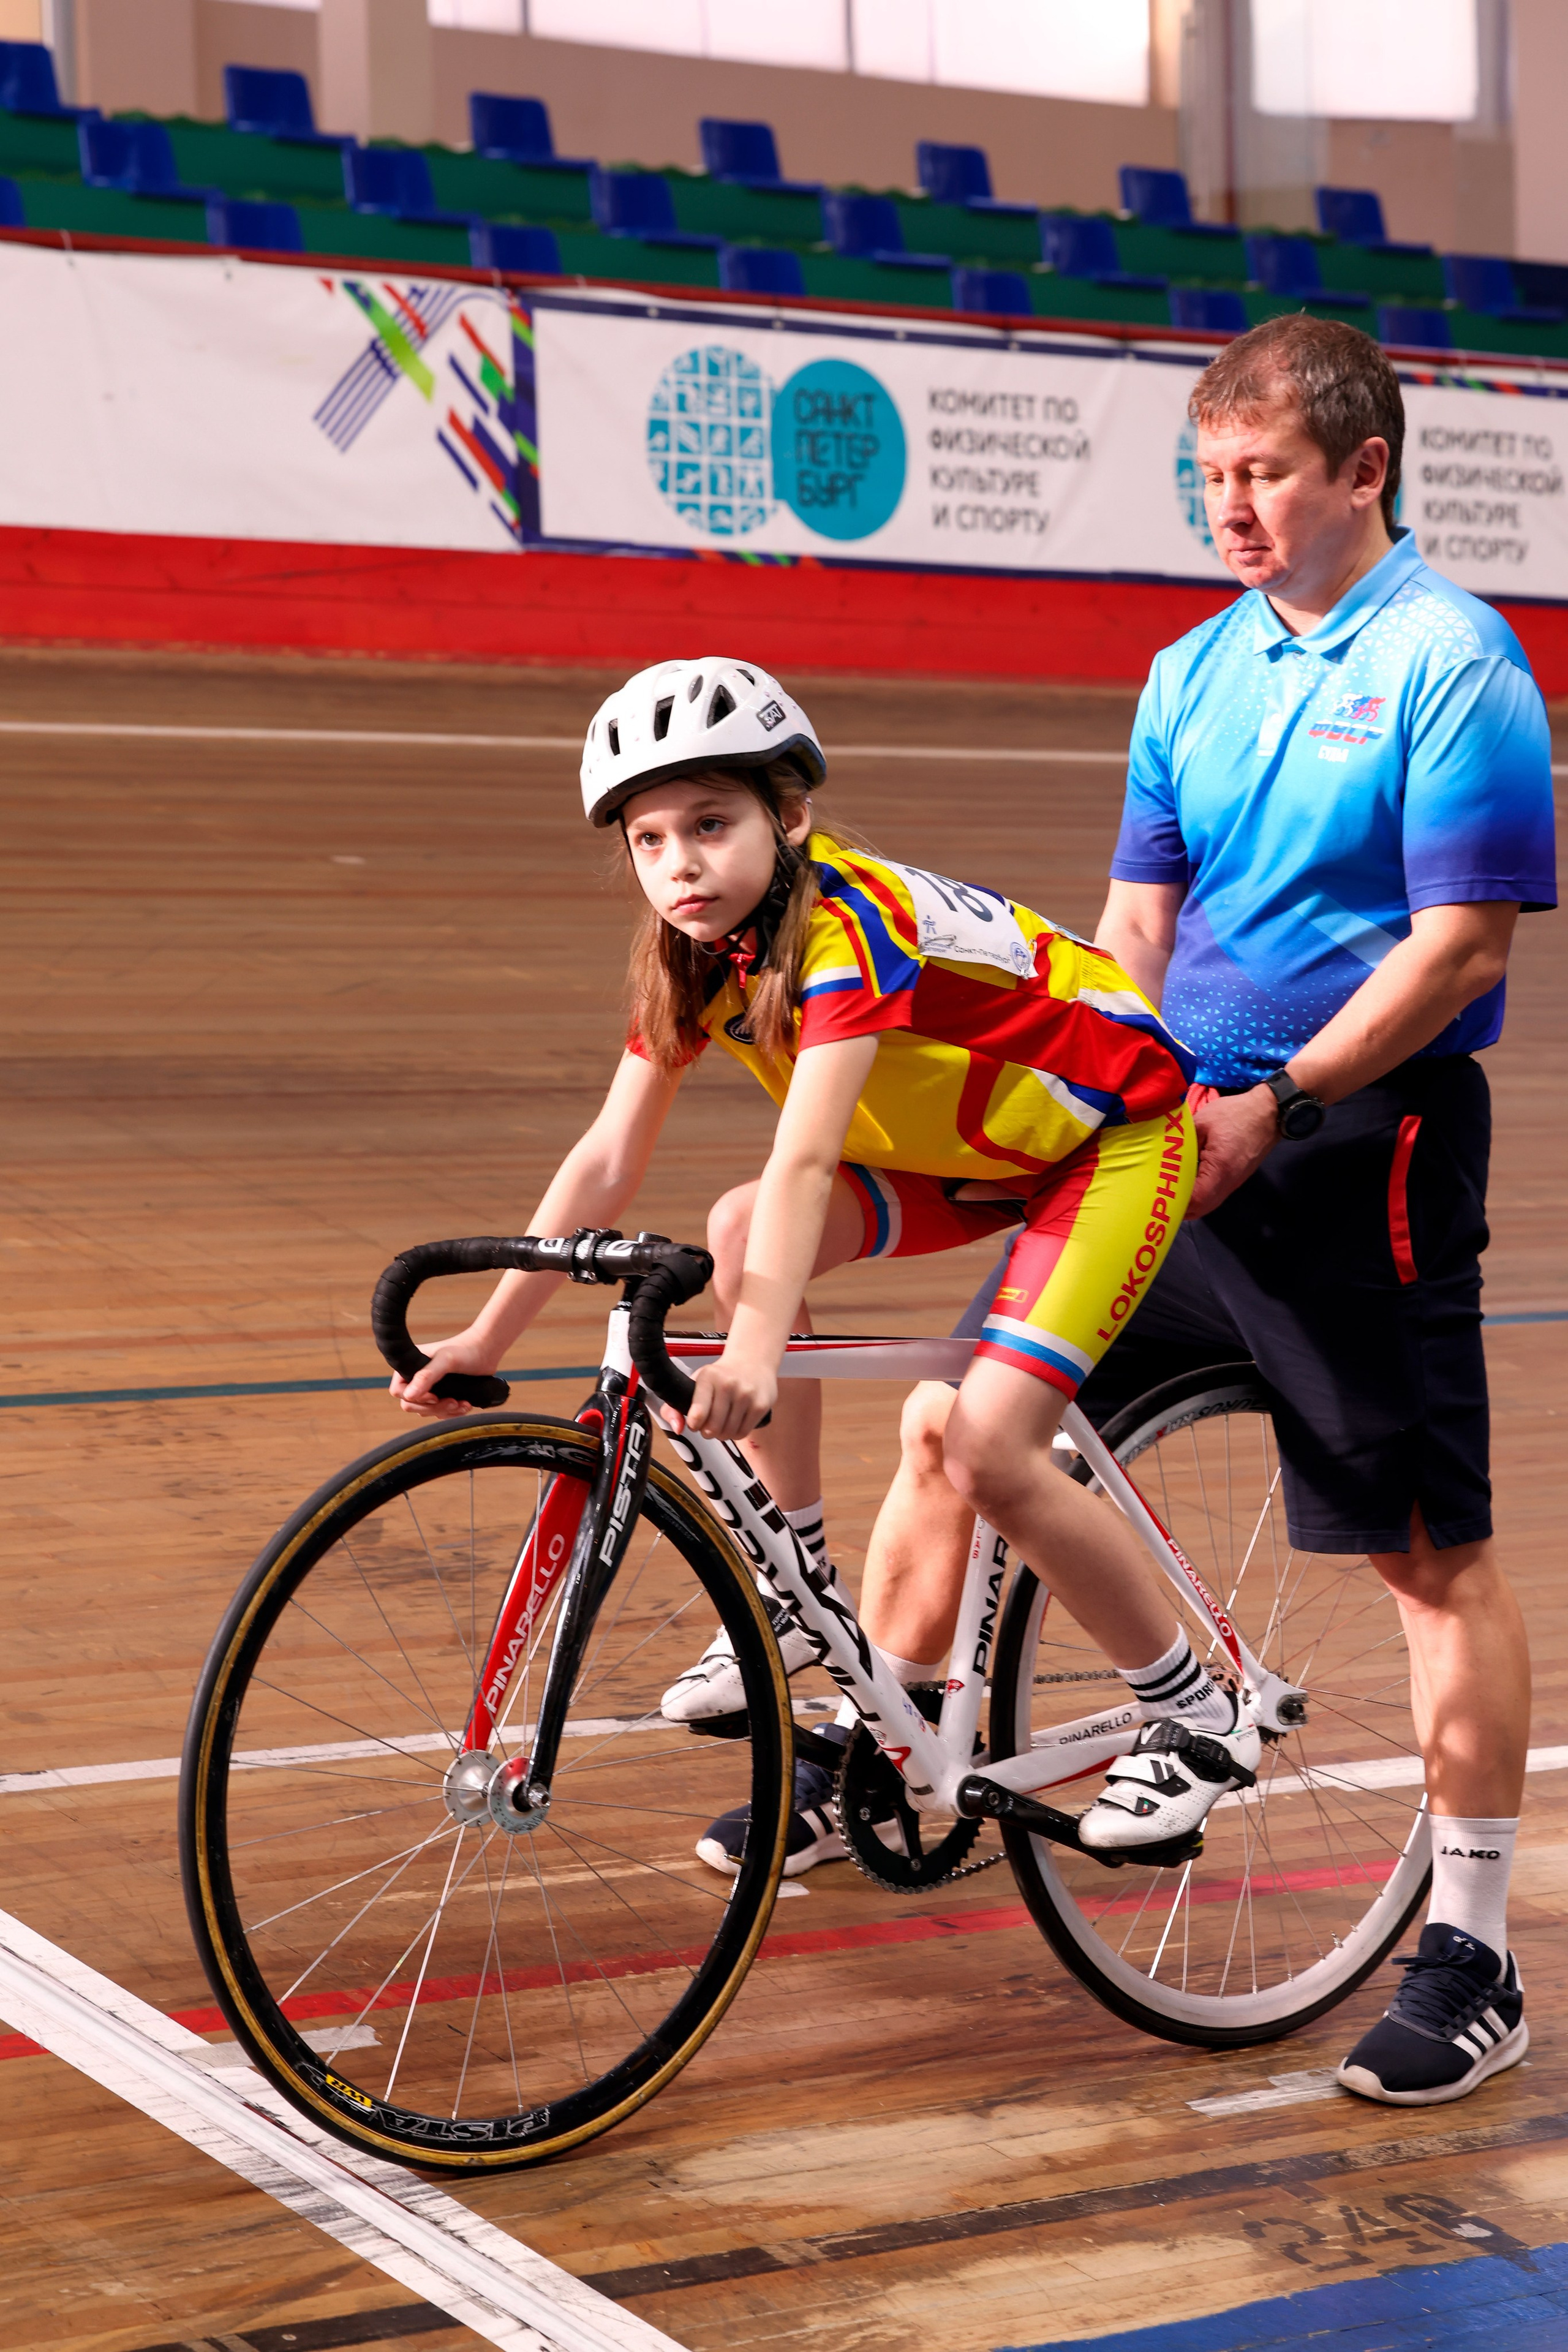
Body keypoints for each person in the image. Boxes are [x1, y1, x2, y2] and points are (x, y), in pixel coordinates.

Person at [815, 317, 1556, 2108]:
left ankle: (1472, 1952)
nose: (1228, 509)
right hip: (1164, 1134)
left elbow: (1460, 946)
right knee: (966, 1429)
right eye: (1209, 477)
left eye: (1264, 477)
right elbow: (1133, 927)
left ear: (1361, 473)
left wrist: (1281, 1100)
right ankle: (882, 1758)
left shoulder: (1461, 666)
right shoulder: (1191, 671)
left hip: (1346, 1142)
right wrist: (1077, 1089)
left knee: (1419, 1553)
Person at [393, 653, 1262, 1879]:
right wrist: (489, 1335)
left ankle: (1191, 1708)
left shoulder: (848, 928)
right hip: (972, 1151)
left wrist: (754, 1351)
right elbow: (605, 1157)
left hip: (1108, 1141)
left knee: (987, 1446)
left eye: (709, 823)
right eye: (648, 840)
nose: (679, 863)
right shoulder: (692, 954)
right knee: (740, 1231)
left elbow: (808, 1160)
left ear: (788, 817)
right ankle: (796, 1589)